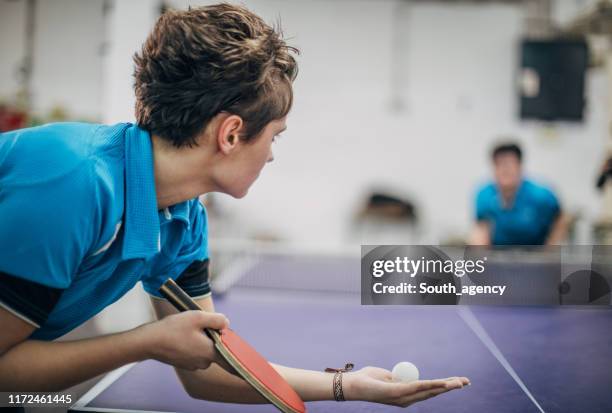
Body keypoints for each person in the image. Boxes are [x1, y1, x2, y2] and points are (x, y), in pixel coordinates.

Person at [0, 3, 468, 408]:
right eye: (274, 135)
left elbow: (208, 369)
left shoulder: (183, 218)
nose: (271, 152)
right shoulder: (74, 183)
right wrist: (143, 343)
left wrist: (349, 386)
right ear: (230, 134)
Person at [470, 142, 568, 246]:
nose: (505, 170)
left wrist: (551, 247)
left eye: (509, 164)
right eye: (499, 164)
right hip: (499, 253)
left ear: (520, 166)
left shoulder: (541, 195)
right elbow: (481, 230)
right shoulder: (484, 195)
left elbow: (560, 218)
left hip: (535, 253)